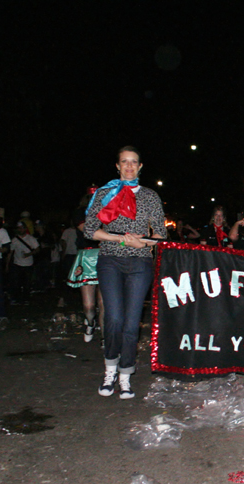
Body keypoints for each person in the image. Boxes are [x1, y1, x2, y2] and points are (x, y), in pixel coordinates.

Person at [84, 146, 166, 399]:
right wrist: (119, 240)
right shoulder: (104, 193)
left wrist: (142, 243)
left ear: (140, 167)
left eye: (134, 162)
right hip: (110, 259)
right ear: (117, 166)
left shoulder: (150, 196)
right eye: (124, 162)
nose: (129, 166)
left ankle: (125, 375)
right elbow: (90, 230)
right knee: (114, 319)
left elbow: (161, 236)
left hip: (140, 262)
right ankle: (109, 370)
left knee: (132, 323)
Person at [67, 212, 104, 344]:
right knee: (89, 306)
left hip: (105, 256)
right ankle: (90, 323)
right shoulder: (80, 213)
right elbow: (88, 231)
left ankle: (105, 338)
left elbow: (120, 240)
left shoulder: (110, 211)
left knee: (103, 303)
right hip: (87, 257)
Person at [6, 221, 39, 305]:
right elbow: (10, 252)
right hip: (17, 264)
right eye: (19, 228)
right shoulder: (15, 240)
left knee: (27, 283)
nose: (20, 229)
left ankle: (25, 299)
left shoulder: (31, 239)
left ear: (25, 229)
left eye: (21, 228)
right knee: (16, 282)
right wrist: (7, 265)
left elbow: (37, 249)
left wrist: (29, 254)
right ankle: (15, 298)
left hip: (28, 264)